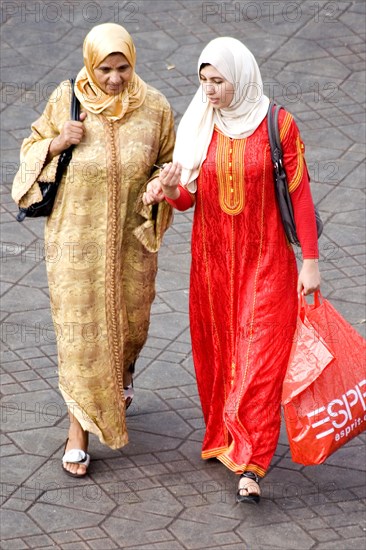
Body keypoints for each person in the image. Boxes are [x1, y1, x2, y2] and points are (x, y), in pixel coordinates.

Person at [143, 37, 321, 503]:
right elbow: (188, 200)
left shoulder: (278, 124)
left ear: (239, 77)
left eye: (218, 81)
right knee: (219, 353)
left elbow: (300, 194)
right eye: (204, 81)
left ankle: (253, 461)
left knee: (262, 358)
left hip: (267, 262)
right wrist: (169, 189)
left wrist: (311, 262)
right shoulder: (202, 126)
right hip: (213, 264)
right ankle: (225, 437)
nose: (210, 91)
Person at [12, 23, 175, 477]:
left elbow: (169, 158)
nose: (115, 79)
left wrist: (163, 182)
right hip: (75, 247)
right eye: (105, 69)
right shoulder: (67, 99)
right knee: (80, 339)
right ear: (90, 64)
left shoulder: (155, 107)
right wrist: (58, 141)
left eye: (123, 68)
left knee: (130, 327)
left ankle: (120, 381)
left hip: (131, 244)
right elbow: (29, 154)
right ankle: (78, 431)